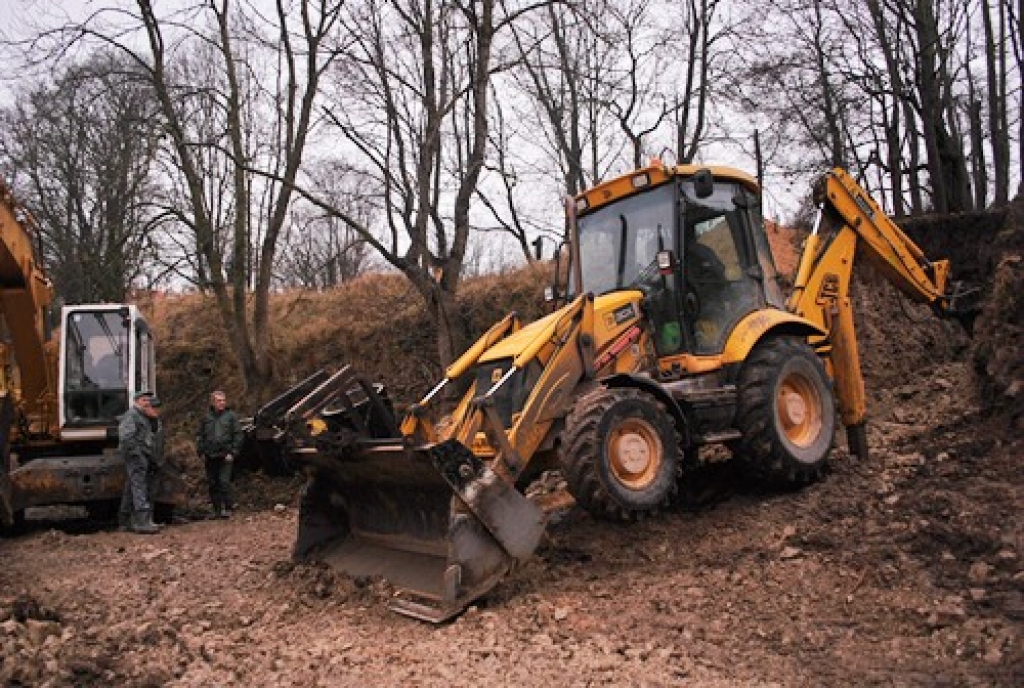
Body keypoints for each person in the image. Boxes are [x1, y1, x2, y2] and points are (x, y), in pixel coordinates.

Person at [118, 391, 163, 534]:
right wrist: (137, 454)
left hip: (143, 455)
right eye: (144, 400)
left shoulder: (143, 416)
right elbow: (126, 438)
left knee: (131, 486)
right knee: (139, 487)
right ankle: (142, 522)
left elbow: (152, 434)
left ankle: (125, 521)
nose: (147, 403)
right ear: (136, 401)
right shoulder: (131, 415)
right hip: (136, 457)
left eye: (148, 400)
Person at [196, 390, 243, 519]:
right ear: (213, 402)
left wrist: (233, 452)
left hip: (225, 454)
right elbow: (200, 435)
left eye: (223, 400)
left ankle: (229, 507)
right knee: (213, 483)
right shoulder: (206, 417)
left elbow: (238, 435)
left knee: (224, 481)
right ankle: (217, 510)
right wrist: (201, 451)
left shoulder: (231, 416)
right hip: (210, 455)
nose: (222, 403)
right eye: (219, 400)